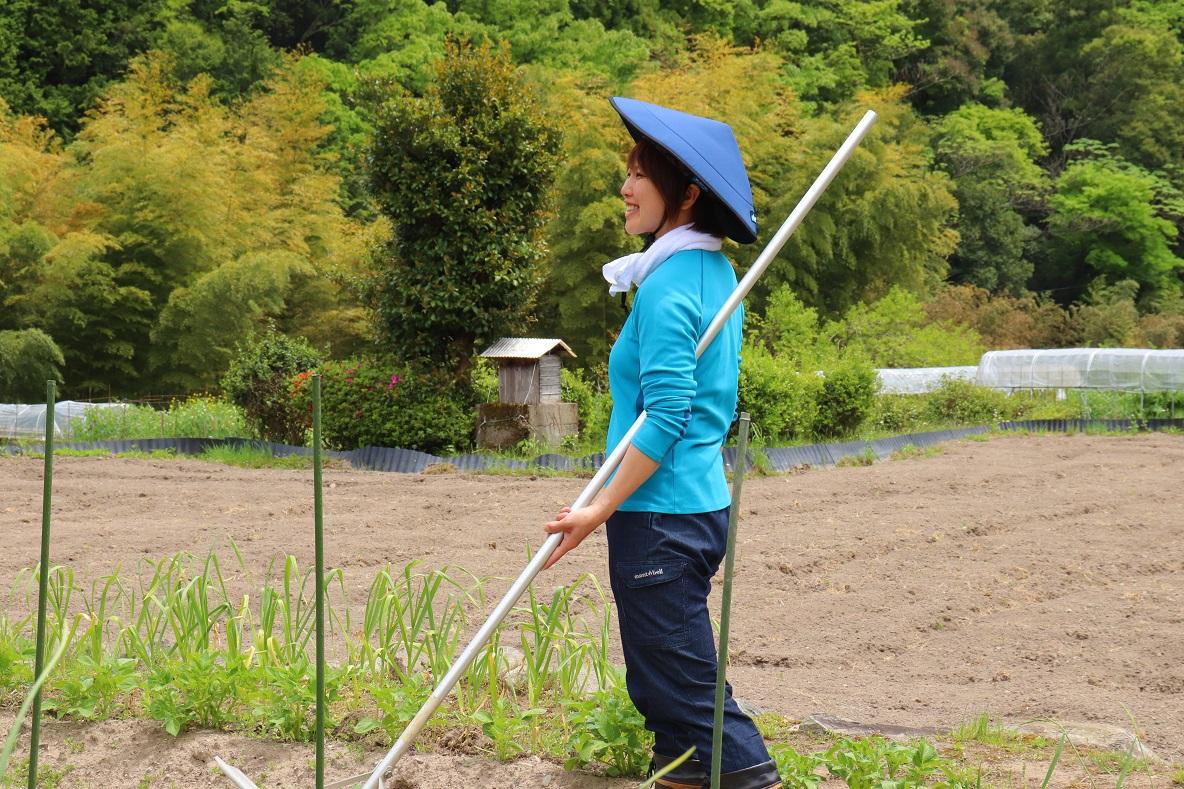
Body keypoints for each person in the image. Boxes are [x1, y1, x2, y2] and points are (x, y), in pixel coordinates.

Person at [542, 97, 782, 789]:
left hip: (661, 513)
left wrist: (600, 508)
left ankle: (748, 775)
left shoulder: (672, 283)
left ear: (687, 194)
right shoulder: (709, 273)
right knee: (665, 694)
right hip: (691, 504)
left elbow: (668, 412)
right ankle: (680, 775)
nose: (624, 188)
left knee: (680, 685)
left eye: (639, 174)